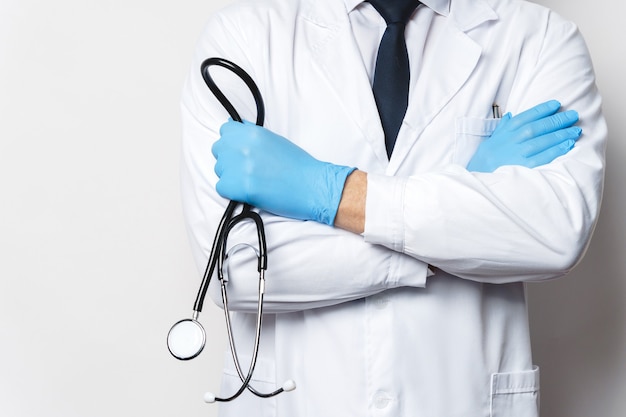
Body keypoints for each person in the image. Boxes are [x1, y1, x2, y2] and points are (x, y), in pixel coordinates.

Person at [179, 0, 606, 415]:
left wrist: (333, 193)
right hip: (299, 400)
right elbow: (234, 270)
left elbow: (555, 233)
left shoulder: (541, 39)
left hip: (458, 399)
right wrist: (460, 215)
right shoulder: (245, 36)